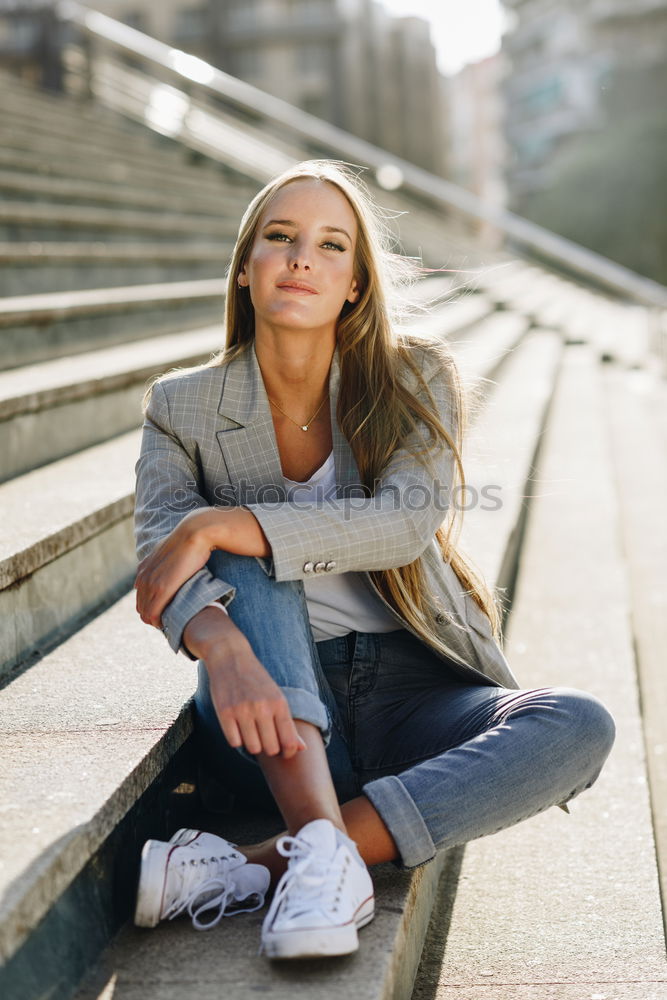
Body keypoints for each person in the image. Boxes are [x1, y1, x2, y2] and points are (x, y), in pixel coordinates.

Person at [132, 160, 615, 960]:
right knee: (249, 562)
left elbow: (401, 525)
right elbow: (160, 557)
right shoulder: (180, 405)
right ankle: (321, 845)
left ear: (354, 283)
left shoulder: (411, 375)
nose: (300, 259)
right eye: (279, 238)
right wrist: (219, 646)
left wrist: (221, 521)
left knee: (575, 724)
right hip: (268, 704)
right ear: (246, 266)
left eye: (329, 245)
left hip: (411, 693)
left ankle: (273, 862)